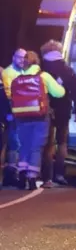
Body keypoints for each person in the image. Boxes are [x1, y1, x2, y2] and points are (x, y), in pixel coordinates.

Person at [9, 51, 65, 190]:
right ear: (37, 62)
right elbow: (59, 93)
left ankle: (21, 174)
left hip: (21, 116)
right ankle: (32, 178)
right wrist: (60, 84)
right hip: (40, 116)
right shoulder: (43, 76)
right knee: (36, 147)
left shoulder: (17, 78)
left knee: (24, 146)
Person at [40, 40, 76, 187]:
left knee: (48, 144)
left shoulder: (42, 69)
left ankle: (47, 177)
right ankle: (60, 174)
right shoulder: (69, 70)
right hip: (64, 109)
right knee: (62, 143)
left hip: (47, 109)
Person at [2, 48, 26, 183]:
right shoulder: (8, 72)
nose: (22, 60)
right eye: (19, 57)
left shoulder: (23, 71)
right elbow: (8, 94)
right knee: (14, 142)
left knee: (19, 142)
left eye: (24, 57)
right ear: (13, 58)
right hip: (13, 112)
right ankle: (11, 174)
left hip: (23, 112)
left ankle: (15, 171)